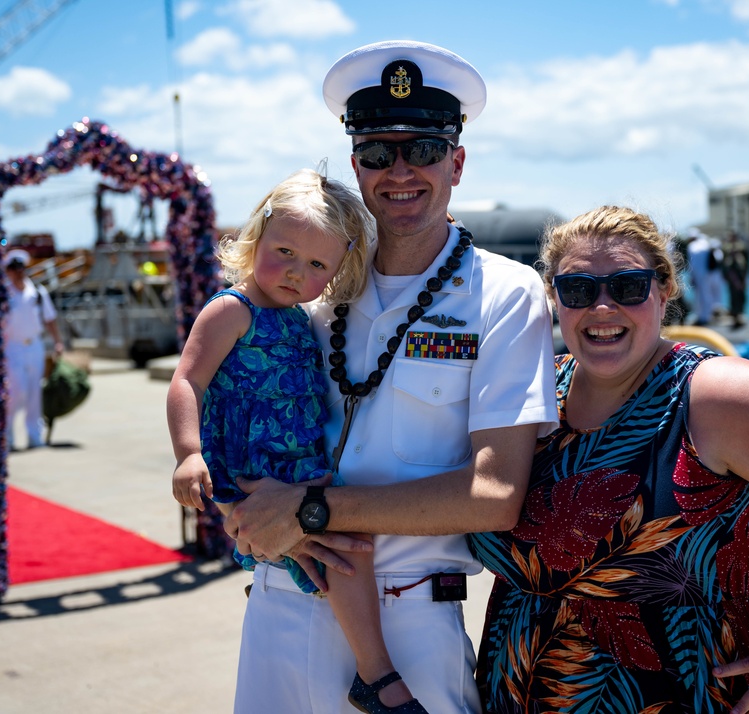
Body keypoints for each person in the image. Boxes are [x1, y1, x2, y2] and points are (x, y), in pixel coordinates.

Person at [466, 205, 749, 714]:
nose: (602, 307)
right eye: (578, 289)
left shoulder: (711, 396)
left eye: (627, 286)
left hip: (686, 692)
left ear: (664, 292)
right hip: (520, 689)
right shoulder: (534, 393)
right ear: (554, 299)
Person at [224, 41, 557, 714]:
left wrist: (310, 509)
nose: (400, 170)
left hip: (409, 625)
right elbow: (229, 408)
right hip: (279, 608)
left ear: (456, 162)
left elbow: (494, 494)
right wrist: (239, 505)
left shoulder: (504, 293)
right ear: (356, 165)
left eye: (425, 150)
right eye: (378, 153)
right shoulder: (308, 285)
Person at [165, 170, 438, 711]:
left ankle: (365, 664)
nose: (296, 273)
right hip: (254, 467)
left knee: (340, 545)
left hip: (297, 465)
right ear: (255, 238)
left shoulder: (301, 318)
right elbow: (186, 380)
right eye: (284, 251)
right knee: (340, 545)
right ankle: (376, 673)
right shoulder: (231, 310)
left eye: (317, 265)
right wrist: (188, 454)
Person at [3, 248, 64, 450]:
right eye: (13, 268)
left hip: (34, 345)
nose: (17, 272)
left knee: (34, 391)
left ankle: (34, 435)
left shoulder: (37, 292)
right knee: (16, 390)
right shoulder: (4, 295)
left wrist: (57, 341)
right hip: (13, 346)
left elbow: (50, 319)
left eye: (20, 268)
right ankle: (8, 435)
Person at [720, 230, 748, 329]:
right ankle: (735, 315)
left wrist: (744, 278)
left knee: (741, 297)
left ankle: (740, 314)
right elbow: (724, 265)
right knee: (733, 296)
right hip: (732, 277)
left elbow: (746, 264)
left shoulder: (742, 248)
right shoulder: (726, 249)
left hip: (740, 276)